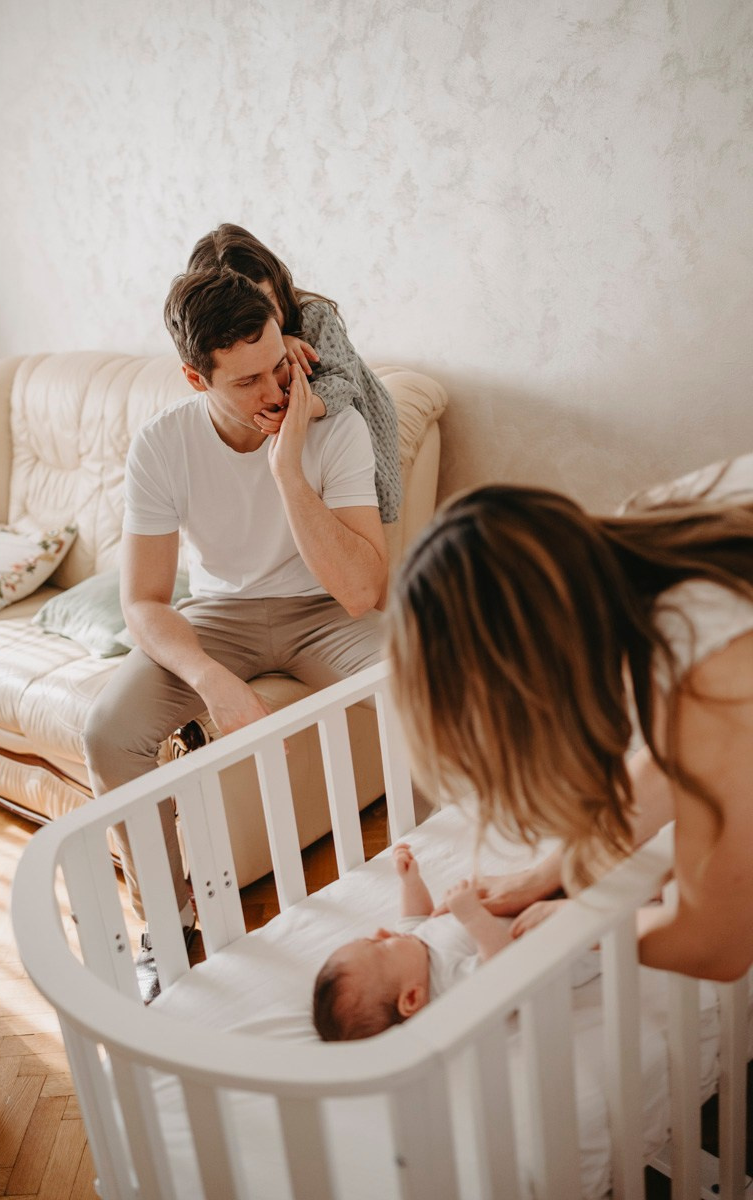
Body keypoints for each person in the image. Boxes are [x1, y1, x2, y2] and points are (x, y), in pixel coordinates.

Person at [82, 268, 389, 1000]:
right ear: (196, 378)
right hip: (221, 618)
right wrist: (210, 679)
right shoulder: (161, 446)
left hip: (325, 612)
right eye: (248, 380)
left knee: (429, 685)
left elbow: (361, 590)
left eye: (280, 364)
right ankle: (167, 922)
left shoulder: (333, 425)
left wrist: (288, 473)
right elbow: (145, 602)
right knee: (107, 732)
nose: (277, 391)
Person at [386, 483, 753, 983]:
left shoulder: (711, 665)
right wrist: (548, 873)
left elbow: (714, 947)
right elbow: (677, 762)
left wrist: (583, 925)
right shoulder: (646, 536)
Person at [185, 223, 402, 524]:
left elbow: (342, 383)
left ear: (279, 286)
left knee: (371, 500)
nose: (262, 319)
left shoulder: (314, 316)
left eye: (267, 301)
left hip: (355, 408)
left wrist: (295, 410)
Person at [313, 843, 512, 1041]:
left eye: (371, 939)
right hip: (534, 920)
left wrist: (411, 882)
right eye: (381, 946)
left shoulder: (412, 952)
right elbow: (503, 967)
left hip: (508, 896)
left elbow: (415, 918)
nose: (380, 932)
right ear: (411, 998)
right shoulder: (446, 979)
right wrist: (472, 915)